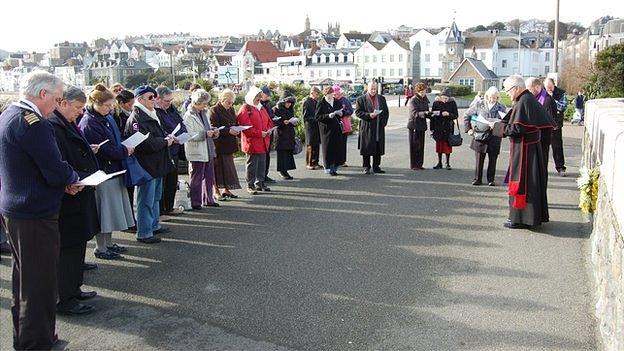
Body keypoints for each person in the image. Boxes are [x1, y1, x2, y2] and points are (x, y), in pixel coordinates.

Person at [0, 71, 82, 350]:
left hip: (17, 209)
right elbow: (54, 166)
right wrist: (71, 180)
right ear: (43, 94)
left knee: (24, 281)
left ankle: (24, 339)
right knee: (40, 284)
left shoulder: (9, 114)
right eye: (58, 99)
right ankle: (38, 343)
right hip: (34, 212)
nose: (58, 105)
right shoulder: (34, 123)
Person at [50, 86, 99, 315]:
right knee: (67, 251)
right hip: (69, 196)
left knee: (77, 247)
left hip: (80, 191)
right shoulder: (53, 125)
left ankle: (74, 289)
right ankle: (65, 298)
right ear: (63, 103)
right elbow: (57, 160)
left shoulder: (66, 123)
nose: (80, 112)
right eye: (78, 108)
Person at [79, 84, 135, 259]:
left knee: (111, 211)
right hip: (102, 171)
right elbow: (106, 150)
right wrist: (124, 151)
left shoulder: (104, 118)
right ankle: (101, 247)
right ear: (95, 103)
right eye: (107, 105)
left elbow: (114, 141)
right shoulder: (90, 122)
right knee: (104, 212)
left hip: (112, 168)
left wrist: (123, 148)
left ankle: (108, 243)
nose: (111, 109)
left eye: (111, 105)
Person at [489, 75, 552, 229]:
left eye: (508, 90)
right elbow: (513, 120)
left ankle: (521, 219)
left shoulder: (524, 101)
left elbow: (517, 128)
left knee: (524, 184)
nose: (507, 94)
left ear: (516, 88)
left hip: (525, 151)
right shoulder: (525, 99)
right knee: (531, 184)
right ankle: (526, 218)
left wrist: (496, 127)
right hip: (528, 148)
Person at [125, 85, 175, 243]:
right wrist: (164, 142)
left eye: (155, 97)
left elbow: (155, 136)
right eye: (150, 97)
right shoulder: (137, 118)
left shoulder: (151, 114)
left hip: (157, 162)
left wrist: (165, 137)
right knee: (146, 200)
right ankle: (144, 232)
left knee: (155, 197)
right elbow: (146, 144)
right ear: (140, 100)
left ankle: (154, 225)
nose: (154, 100)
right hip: (146, 164)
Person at [183, 89, 220, 209]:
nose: (205, 106)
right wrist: (205, 134)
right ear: (197, 102)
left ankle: (208, 199)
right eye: (203, 103)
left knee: (209, 176)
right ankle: (196, 202)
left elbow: (207, 127)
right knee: (197, 177)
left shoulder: (204, 113)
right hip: (197, 150)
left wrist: (213, 131)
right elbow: (190, 135)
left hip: (208, 149)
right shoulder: (188, 116)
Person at [463, 86, 506, 186]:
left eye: (495, 98)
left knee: (493, 158)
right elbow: (467, 115)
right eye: (490, 97)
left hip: (494, 135)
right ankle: (477, 179)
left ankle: (491, 179)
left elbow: (505, 120)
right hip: (480, 135)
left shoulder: (501, 107)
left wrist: (497, 124)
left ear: (498, 98)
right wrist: (468, 129)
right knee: (479, 158)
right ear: (486, 96)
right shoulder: (479, 104)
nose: (492, 99)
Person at [155, 85, 187, 216]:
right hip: (163, 150)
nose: (169, 103)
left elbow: (181, 122)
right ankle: (161, 211)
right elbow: (159, 129)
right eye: (167, 101)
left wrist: (183, 134)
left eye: (171, 100)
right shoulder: (155, 112)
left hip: (174, 149)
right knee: (162, 182)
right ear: (158, 99)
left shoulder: (172, 109)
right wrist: (170, 137)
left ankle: (169, 207)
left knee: (172, 180)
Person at [237, 86, 273, 193]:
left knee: (262, 163)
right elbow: (246, 127)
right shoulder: (245, 108)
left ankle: (260, 183)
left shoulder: (261, 108)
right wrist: (259, 133)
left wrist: (269, 130)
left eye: (259, 97)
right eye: (256, 97)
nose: (258, 99)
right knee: (252, 164)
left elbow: (269, 121)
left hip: (263, 141)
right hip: (252, 142)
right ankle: (250, 185)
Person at [112, 89, 138, 232]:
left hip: (128, 152)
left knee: (130, 188)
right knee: (125, 190)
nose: (131, 107)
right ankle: (128, 222)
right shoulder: (116, 116)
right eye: (129, 104)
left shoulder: (129, 114)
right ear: (121, 103)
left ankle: (130, 219)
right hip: (122, 153)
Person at [210, 89, 242, 200]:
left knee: (228, 169)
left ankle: (226, 189)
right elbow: (214, 127)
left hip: (229, 143)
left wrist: (237, 129)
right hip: (219, 144)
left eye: (232, 102)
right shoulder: (214, 110)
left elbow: (235, 122)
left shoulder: (231, 109)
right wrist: (228, 131)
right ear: (222, 100)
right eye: (228, 102)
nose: (230, 105)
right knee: (218, 168)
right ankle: (216, 191)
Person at [355, 81, 390, 174]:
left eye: (375, 89)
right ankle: (366, 166)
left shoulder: (381, 98)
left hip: (379, 127)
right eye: (372, 89)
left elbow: (386, 112)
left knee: (378, 147)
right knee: (367, 147)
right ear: (367, 88)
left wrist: (384, 123)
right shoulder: (361, 99)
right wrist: (369, 115)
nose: (373, 91)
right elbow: (358, 112)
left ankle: (376, 166)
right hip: (367, 127)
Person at [526, 77, 556, 174]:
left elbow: (549, 121)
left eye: (530, 89)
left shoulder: (547, 100)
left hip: (542, 138)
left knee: (541, 166)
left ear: (538, 87)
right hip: (533, 137)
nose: (528, 92)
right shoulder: (533, 98)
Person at [315, 86, 345, 176]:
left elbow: (342, 112)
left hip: (336, 128)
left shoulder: (336, 101)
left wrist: (340, 113)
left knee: (336, 147)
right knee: (327, 148)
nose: (331, 96)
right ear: (325, 94)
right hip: (326, 129)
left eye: (332, 94)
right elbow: (317, 116)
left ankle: (334, 167)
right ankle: (327, 166)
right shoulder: (321, 103)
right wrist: (328, 116)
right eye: (329, 94)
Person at [430, 89, 459, 170]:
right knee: (439, 145)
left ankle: (447, 163)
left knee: (447, 145)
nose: (445, 100)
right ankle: (439, 162)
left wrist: (449, 114)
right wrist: (432, 128)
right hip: (438, 127)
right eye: (443, 98)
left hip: (448, 127)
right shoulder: (436, 103)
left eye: (446, 98)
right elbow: (432, 115)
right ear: (440, 97)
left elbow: (456, 115)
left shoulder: (452, 103)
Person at [544, 78, 567, 177]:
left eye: (550, 87)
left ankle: (560, 167)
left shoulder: (560, 93)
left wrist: (551, 100)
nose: (549, 90)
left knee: (557, 147)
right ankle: (542, 168)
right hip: (544, 124)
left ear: (554, 85)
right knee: (542, 147)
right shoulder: (542, 93)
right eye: (547, 88)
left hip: (556, 125)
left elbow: (563, 106)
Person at [272, 92, 297, 179]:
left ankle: (286, 170)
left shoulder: (290, 109)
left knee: (288, 153)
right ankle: (282, 171)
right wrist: (283, 122)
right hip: (280, 134)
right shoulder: (276, 109)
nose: (289, 104)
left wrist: (294, 122)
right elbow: (273, 121)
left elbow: (292, 118)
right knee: (282, 154)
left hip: (289, 134)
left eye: (290, 103)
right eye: (287, 102)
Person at [407, 82, 430, 170]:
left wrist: (430, 114)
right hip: (414, 125)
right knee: (414, 146)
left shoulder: (425, 99)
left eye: (424, 91)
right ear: (417, 91)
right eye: (421, 92)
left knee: (421, 146)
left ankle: (420, 164)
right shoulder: (413, 100)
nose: (423, 93)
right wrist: (424, 113)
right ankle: (414, 165)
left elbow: (426, 111)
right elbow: (414, 113)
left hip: (422, 125)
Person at [260, 86, 276, 183]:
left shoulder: (268, 104)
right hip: (262, 133)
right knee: (262, 156)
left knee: (267, 155)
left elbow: (270, 114)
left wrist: (274, 117)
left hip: (269, 131)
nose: (268, 97)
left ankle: (265, 174)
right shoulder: (259, 105)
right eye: (267, 95)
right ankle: (261, 176)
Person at [334, 85, 353, 167]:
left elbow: (351, 110)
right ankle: (335, 160)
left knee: (342, 143)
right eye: (334, 94)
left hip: (344, 125)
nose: (336, 96)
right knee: (334, 144)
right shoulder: (331, 101)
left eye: (337, 94)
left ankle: (342, 161)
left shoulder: (345, 100)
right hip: (334, 125)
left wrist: (343, 113)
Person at [303, 86, 322, 170]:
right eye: (317, 93)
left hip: (316, 125)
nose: (318, 95)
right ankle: (309, 163)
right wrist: (316, 119)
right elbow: (306, 116)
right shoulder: (307, 102)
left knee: (316, 144)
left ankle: (315, 162)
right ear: (312, 93)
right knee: (310, 145)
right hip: (310, 126)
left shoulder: (316, 101)